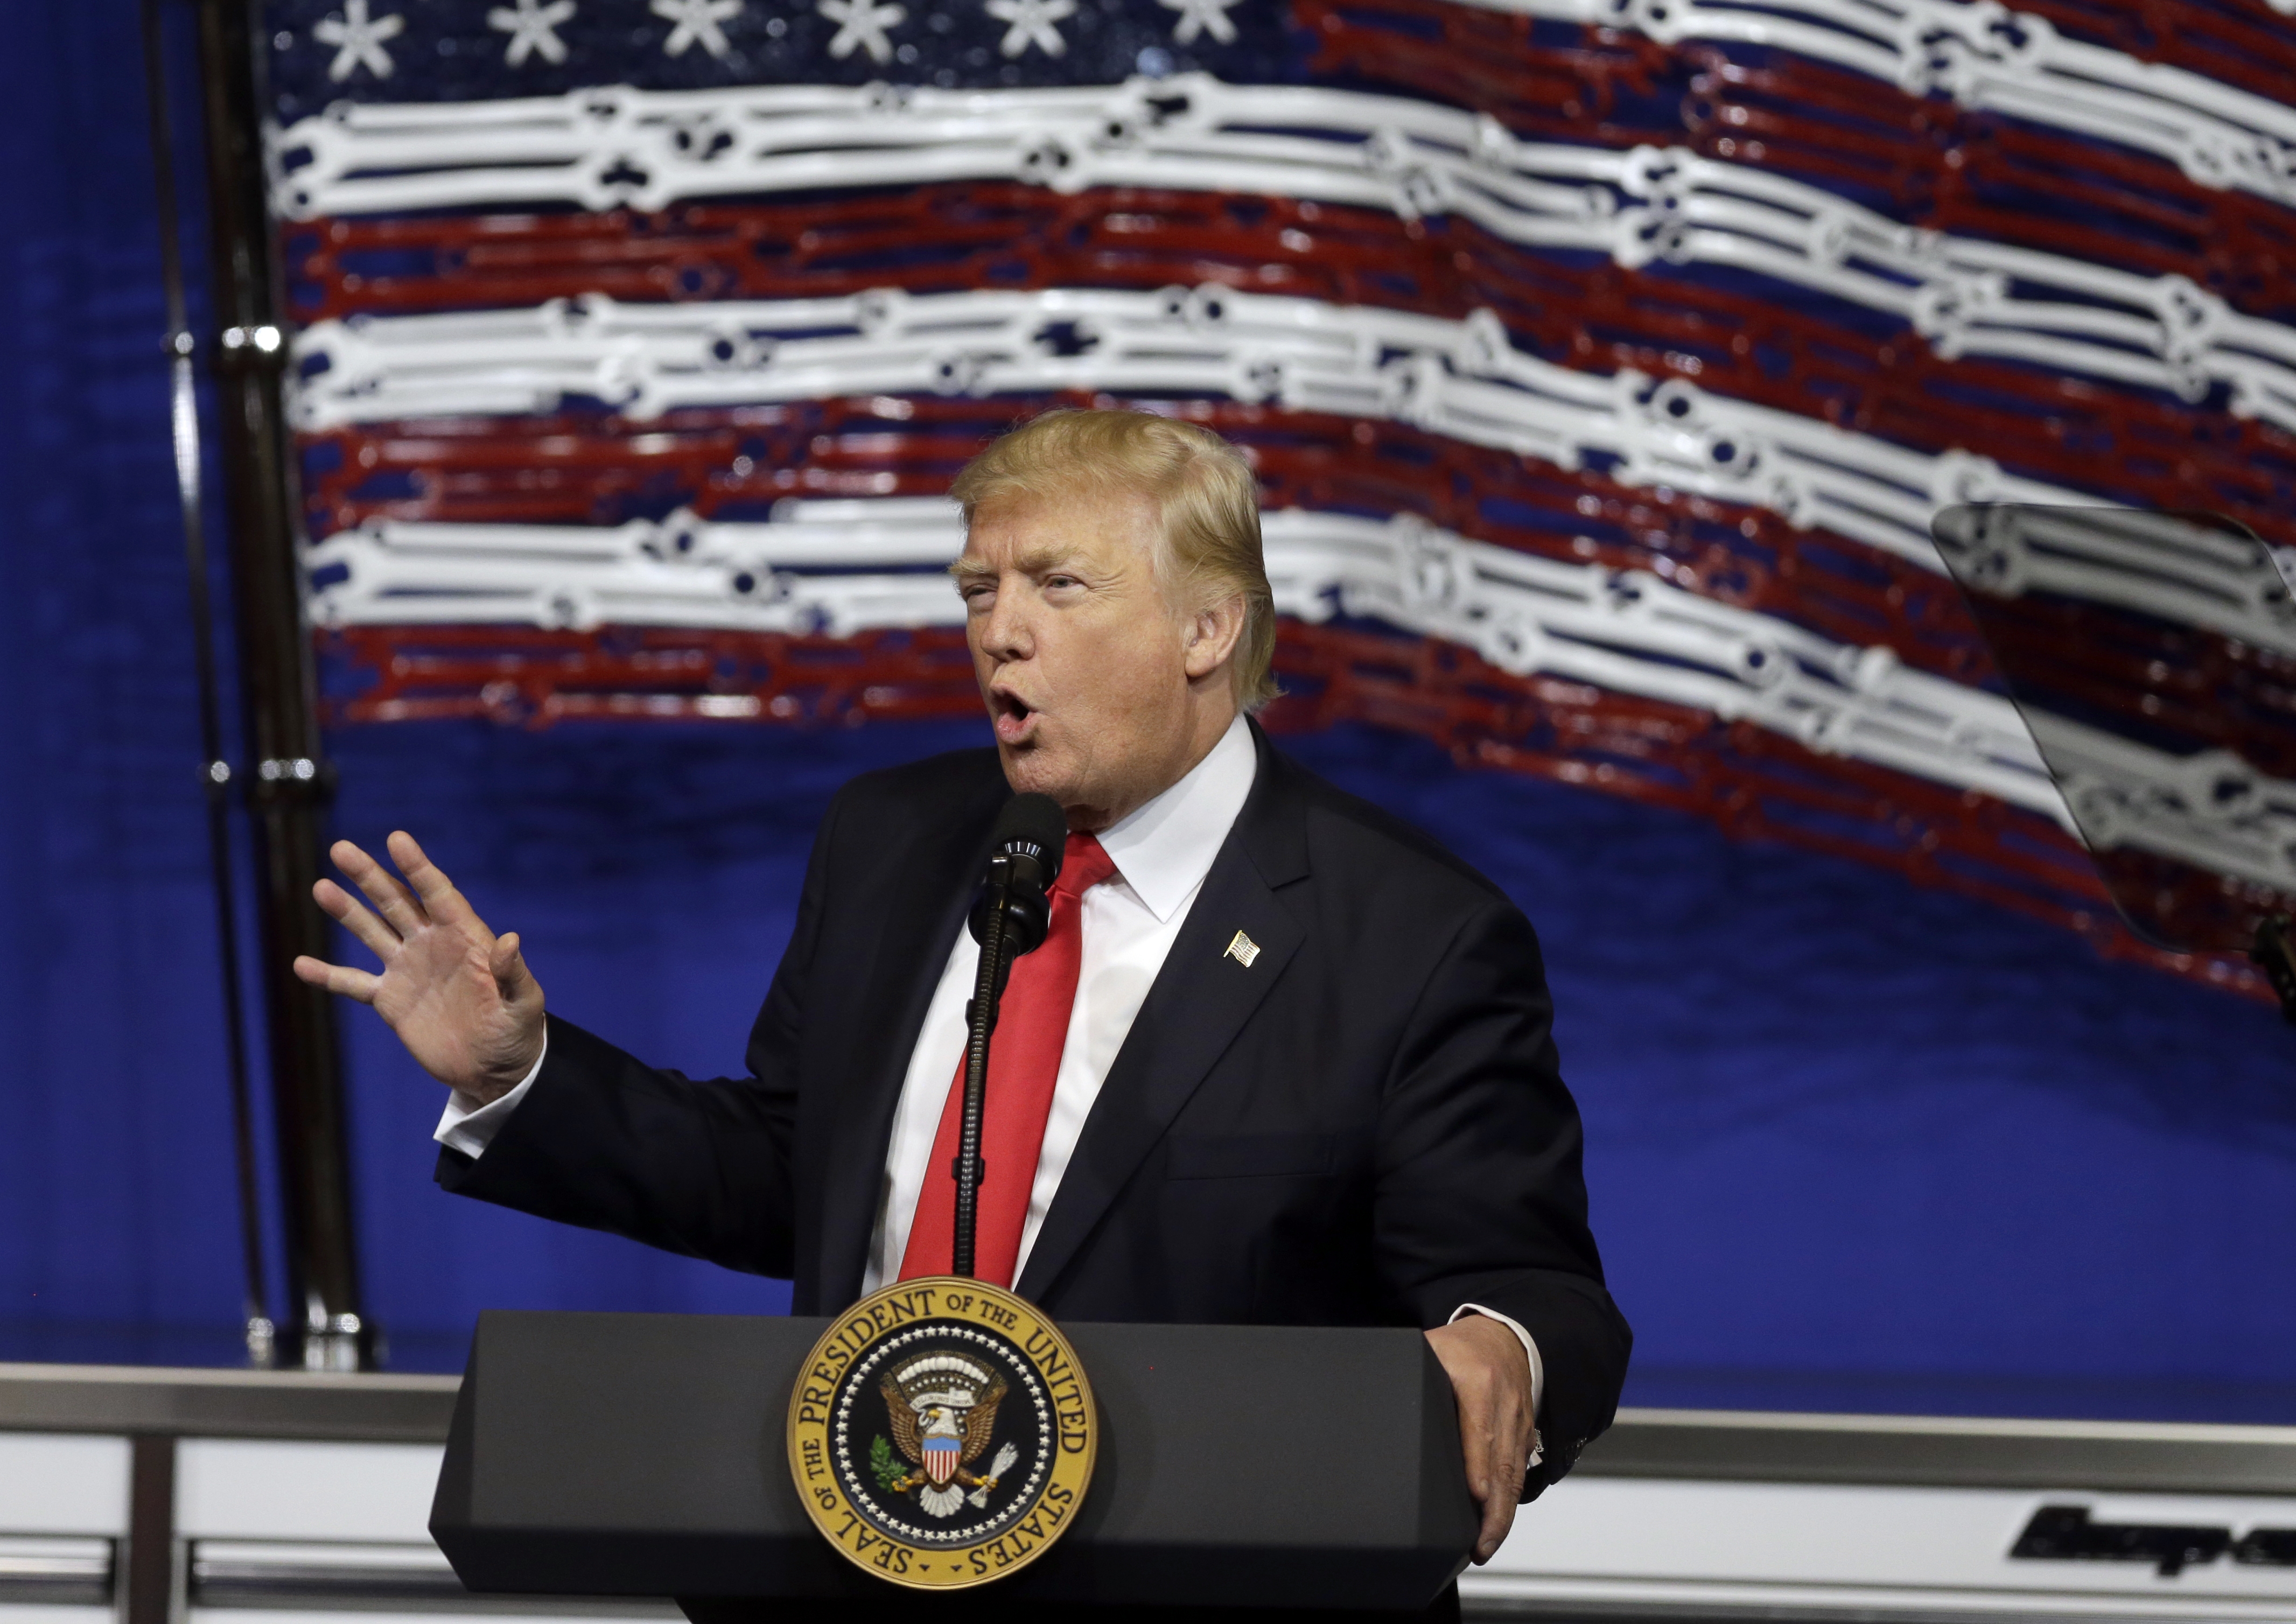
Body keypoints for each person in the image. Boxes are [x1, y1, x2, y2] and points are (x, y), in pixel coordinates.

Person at [298, 408, 1628, 1592]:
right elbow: (792, 1172)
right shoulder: (897, 840)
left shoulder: (1412, 933)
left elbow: (1535, 1292)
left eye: (1059, 585)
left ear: (1207, 629)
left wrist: (1498, 1344)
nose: (1002, 630)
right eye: (979, 587)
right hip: (852, 1571)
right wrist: (519, 1075)